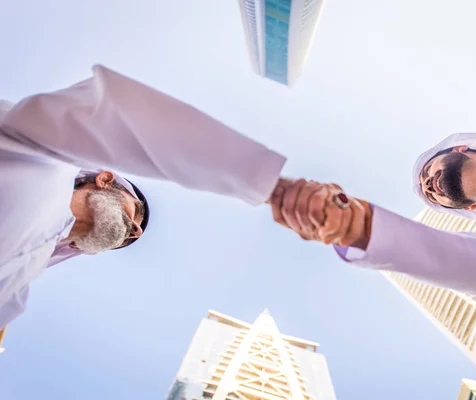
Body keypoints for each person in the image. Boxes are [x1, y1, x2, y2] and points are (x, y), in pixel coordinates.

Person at [270, 35, 476, 298]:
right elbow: (472, 268)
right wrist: (354, 226)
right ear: (467, 208)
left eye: (428, 172)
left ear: (458, 147)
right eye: (430, 196)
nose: (429, 186)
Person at [0, 65, 287, 329]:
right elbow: (115, 115)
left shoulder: (18, 287)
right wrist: (274, 187)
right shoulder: (43, 156)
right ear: (105, 179)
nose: (135, 230)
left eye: (131, 235)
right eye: (135, 211)